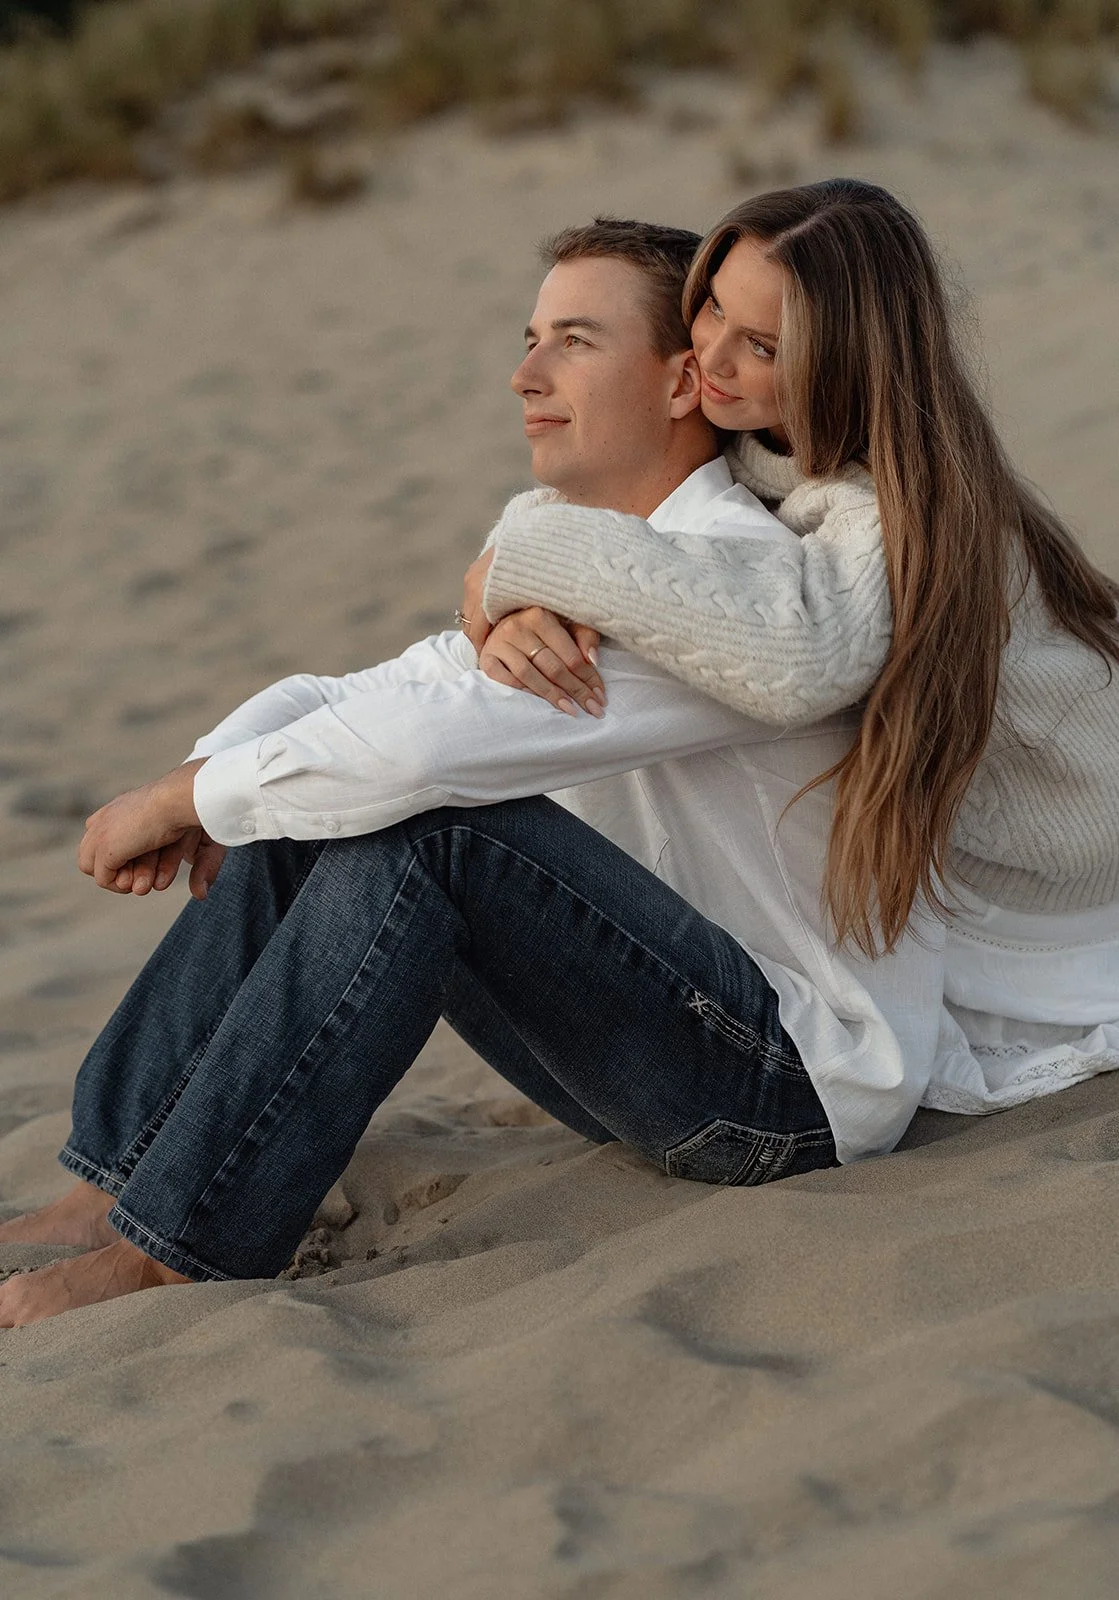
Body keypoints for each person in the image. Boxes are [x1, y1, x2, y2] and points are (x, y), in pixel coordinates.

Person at [0, 217, 949, 1329]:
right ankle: (109, 1181)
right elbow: (367, 695)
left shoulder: (724, 588)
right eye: (531, 337)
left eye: (575, 343)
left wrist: (179, 803)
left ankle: (174, 1252)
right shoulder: (584, 559)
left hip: (780, 1092)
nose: (525, 374)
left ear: (686, 381)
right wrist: (214, 765)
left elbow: (417, 749)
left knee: (423, 827)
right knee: (321, 790)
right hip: (650, 1033)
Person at [468, 180, 1119, 1120]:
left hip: (1062, 904)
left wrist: (519, 560)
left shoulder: (888, 510)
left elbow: (798, 659)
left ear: (846, 364)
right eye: (711, 309)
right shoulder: (761, 432)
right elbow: (632, 516)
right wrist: (514, 588)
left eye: (762, 347)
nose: (711, 357)